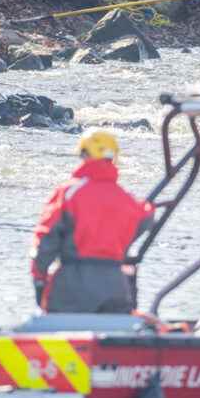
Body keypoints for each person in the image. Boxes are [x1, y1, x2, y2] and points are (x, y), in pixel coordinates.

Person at [30, 129, 154, 313]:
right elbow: (146, 217)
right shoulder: (128, 200)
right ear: (113, 158)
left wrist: (39, 278)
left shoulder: (68, 194)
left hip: (71, 285)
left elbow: (46, 239)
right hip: (116, 286)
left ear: (84, 155)